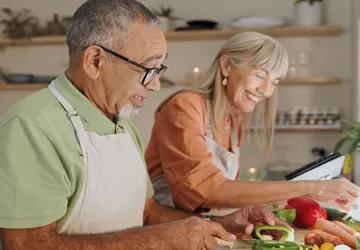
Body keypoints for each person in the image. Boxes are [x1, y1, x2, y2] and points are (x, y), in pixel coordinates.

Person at [0, 1, 292, 249]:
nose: (154, 85)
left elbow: (147, 210)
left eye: (159, 70)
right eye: (148, 69)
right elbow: (27, 244)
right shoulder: (32, 127)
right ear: (95, 61)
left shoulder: (123, 125)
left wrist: (215, 224)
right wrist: (160, 240)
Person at [145, 31, 360, 213]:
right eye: (260, 75)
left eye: (274, 82)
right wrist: (310, 187)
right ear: (227, 65)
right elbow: (203, 191)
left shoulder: (233, 117)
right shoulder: (184, 106)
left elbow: (225, 195)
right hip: (163, 232)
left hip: (198, 230)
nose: (266, 90)